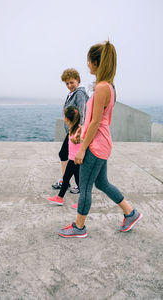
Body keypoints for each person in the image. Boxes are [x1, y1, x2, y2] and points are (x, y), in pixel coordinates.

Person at [58, 41, 143, 238]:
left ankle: (79, 227)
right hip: (101, 142)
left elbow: (96, 121)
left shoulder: (103, 88)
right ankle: (131, 213)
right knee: (102, 183)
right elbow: (94, 120)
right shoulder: (108, 86)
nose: (87, 64)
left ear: (96, 62)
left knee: (86, 186)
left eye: (88, 61)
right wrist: (82, 131)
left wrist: (81, 149)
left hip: (96, 145)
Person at [52, 68, 89, 194]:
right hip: (72, 130)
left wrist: (79, 131)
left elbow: (82, 112)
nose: (69, 85)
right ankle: (66, 181)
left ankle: (70, 183)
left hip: (76, 131)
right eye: (67, 83)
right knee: (70, 157)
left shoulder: (79, 93)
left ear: (78, 80)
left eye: (71, 82)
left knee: (68, 156)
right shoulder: (72, 93)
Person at [48, 106, 81, 205]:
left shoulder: (78, 130)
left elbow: (83, 142)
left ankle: (81, 202)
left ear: (66, 119)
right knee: (68, 179)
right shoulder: (73, 129)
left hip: (76, 161)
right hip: (73, 159)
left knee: (75, 181)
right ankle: (59, 198)